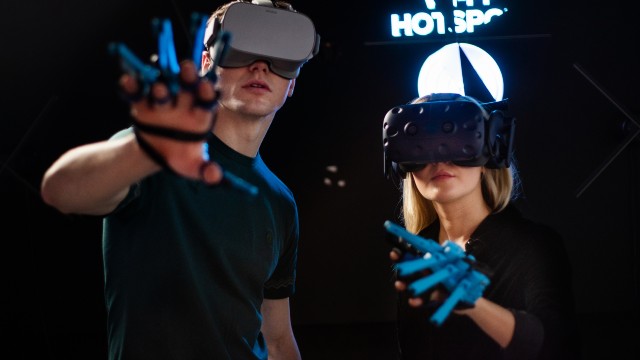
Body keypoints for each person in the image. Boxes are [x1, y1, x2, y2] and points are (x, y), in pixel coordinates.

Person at [40, 1, 319, 359]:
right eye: (241, 48)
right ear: (206, 63)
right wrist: (148, 149)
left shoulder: (280, 202)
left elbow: (278, 339)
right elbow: (61, 190)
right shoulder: (149, 156)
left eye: (279, 56)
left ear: (292, 83)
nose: (260, 65)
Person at [383, 93, 581, 359]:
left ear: (488, 154)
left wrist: (473, 303)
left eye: (457, 141)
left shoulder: (532, 246)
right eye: (422, 144)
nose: (439, 159)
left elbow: (555, 347)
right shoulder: (416, 258)